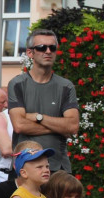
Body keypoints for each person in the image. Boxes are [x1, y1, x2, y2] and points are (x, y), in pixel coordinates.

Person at [7, 29, 80, 173]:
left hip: (58, 168)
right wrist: (59, 128)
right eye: (41, 48)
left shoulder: (66, 86)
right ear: (30, 53)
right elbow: (20, 126)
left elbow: (72, 126)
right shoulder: (17, 84)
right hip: (26, 167)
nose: (48, 51)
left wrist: (37, 117)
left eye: (52, 47)